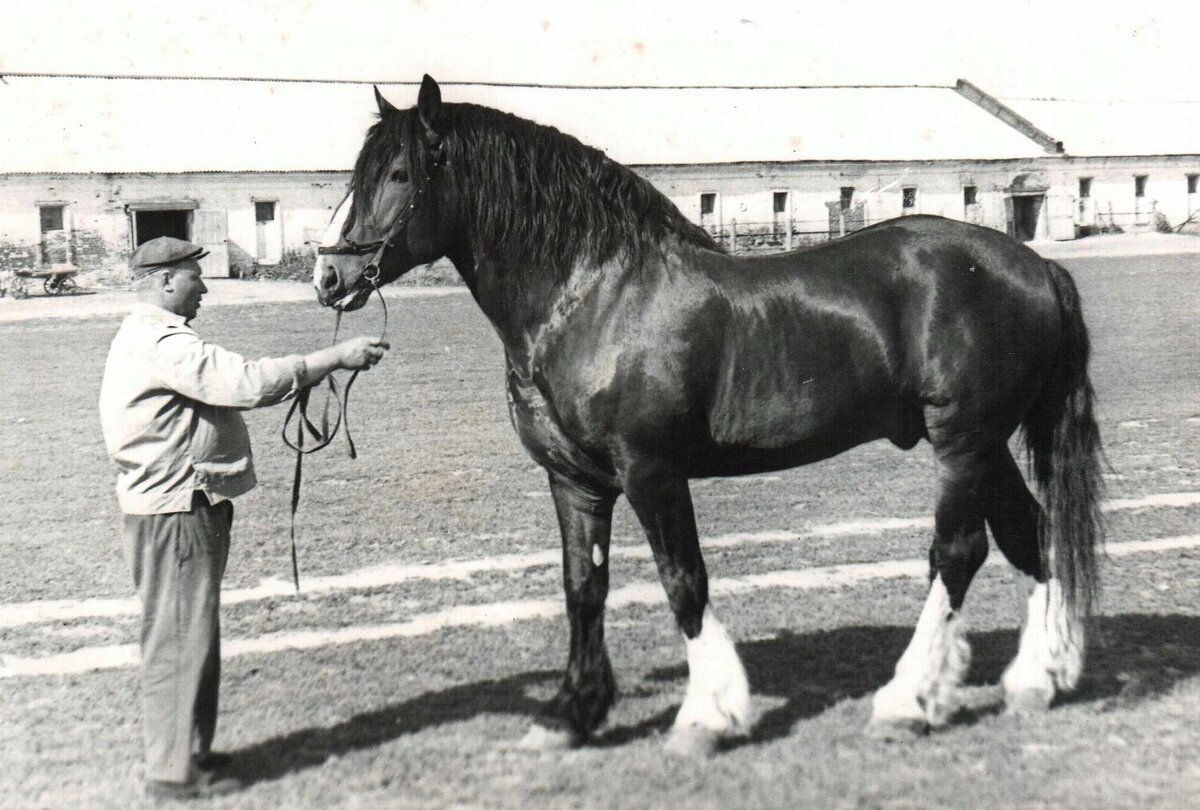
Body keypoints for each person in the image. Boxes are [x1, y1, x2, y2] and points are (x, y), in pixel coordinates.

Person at [98, 236, 388, 800]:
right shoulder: (160, 341)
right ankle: (173, 772)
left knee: (189, 635)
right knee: (181, 640)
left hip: (179, 506)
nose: (203, 285)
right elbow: (246, 384)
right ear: (164, 282)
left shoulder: (148, 336)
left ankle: (189, 754)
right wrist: (333, 356)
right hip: (178, 510)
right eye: (193, 276)